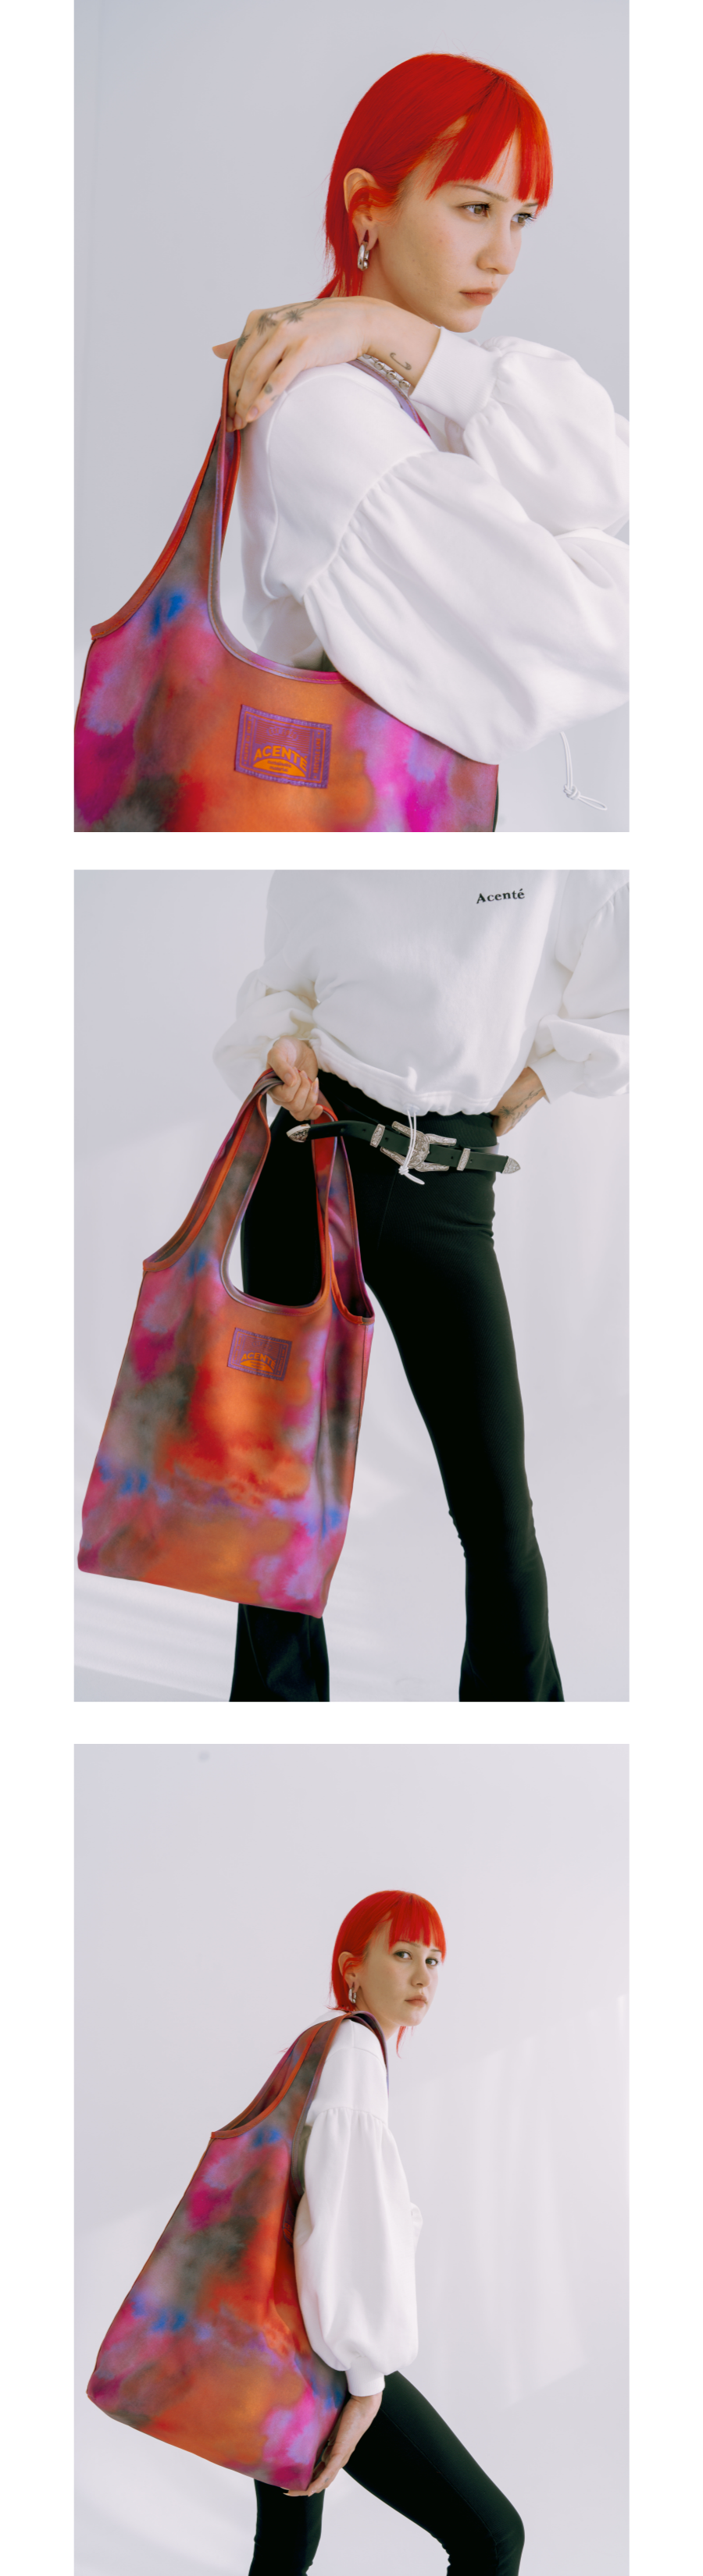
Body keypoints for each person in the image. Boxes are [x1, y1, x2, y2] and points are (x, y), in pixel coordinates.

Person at [214, 867, 629, 1704]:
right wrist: (281, 1045)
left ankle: (518, 1738)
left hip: (450, 1188)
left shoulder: (554, 852)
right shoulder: (331, 842)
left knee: (497, 1514)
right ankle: (276, 1731)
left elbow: (636, 976)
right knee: (281, 1489)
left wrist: (543, 1078)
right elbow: (283, 987)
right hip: (306, 1161)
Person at [213, 53, 628, 793]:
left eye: (522, 218)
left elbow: (608, 479)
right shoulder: (323, 408)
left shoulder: (415, 390)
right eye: (475, 209)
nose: (504, 257)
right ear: (368, 206)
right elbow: (597, 635)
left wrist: (391, 331)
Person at [250, 1885, 525, 2574]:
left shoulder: (324, 2046)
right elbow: (342, 2229)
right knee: (491, 2537)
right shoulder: (353, 2055)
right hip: (325, 2354)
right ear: (353, 1967)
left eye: (434, 1959)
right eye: (402, 1954)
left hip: (278, 2342)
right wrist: (367, 2381)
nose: (422, 1976)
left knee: (286, 2551)